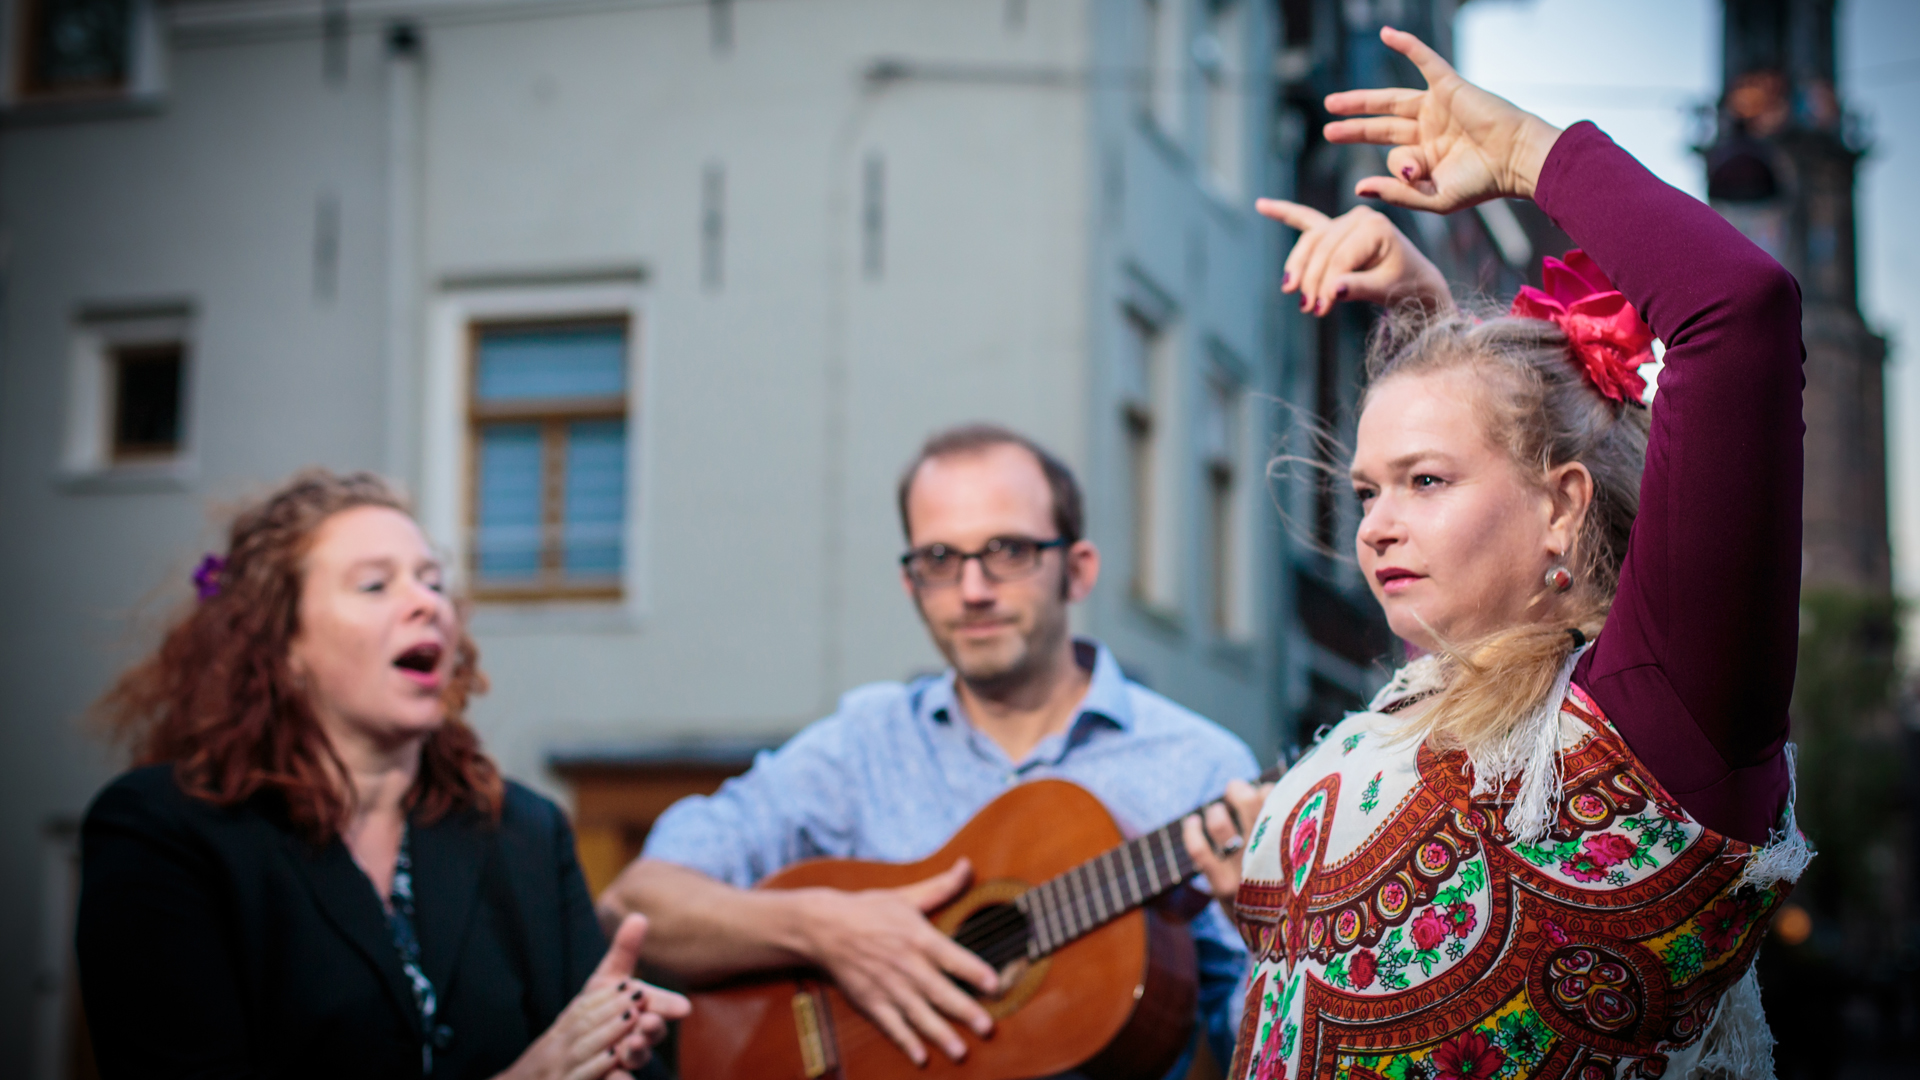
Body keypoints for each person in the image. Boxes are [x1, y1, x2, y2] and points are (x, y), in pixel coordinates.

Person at [1181, 27, 1810, 1080]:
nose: (1373, 525)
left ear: (1565, 505)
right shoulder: (1406, 723)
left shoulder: (1662, 718)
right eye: (1369, 491)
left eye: (1422, 482)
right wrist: (1433, 324)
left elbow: (1738, 313)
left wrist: (1526, 156)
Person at [597, 424, 1262, 1076]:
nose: (973, 589)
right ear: (912, 584)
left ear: (1078, 570)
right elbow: (635, 904)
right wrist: (821, 928)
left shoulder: (1202, 770)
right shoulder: (862, 744)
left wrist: (1266, 930)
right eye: (939, 560)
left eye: (1008, 550)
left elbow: (1266, 1057)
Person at [77, 470, 691, 1079]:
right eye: (375, 586)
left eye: (433, 581)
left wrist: (618, 1054)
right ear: (282, 646)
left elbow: (597, 1054)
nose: (427, 603)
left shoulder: (525, 831)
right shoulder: (164, 832)